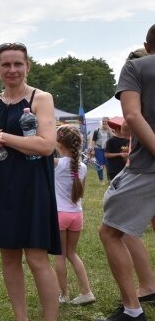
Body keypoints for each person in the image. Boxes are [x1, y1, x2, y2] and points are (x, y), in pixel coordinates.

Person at [0, 42, 62, 321]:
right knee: (8, 255)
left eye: (18, 64)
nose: (12, 70)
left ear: (28, 67)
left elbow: (46, 146)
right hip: (1, 185)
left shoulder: (42, 98)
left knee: (37, 257)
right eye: (6, 65)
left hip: (32, 185)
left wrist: (1, 137)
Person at [95, 24, 155, 321]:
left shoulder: (136, 67)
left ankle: (132, 311)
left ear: (147, 45)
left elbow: (132, 116)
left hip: (148, 168)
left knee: (111, 232)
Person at [52, 124, 95, 306]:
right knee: (72, 253)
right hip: (76, 214)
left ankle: (64, 294)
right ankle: (86, 291)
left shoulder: (57, 163)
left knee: (60, 255)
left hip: (60, 214)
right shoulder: (83, 167)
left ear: (59, 144)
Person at [90, 118, 112, 183]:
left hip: (107, 149)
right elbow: (93, 141)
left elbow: (113, 138)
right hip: (98, 148)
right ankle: (101, 180)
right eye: (103, 121)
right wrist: (92, 150)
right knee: (99, 165)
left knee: (108, 165)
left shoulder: (110, 130)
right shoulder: (97, 130)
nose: (104, 122)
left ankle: (109, 180)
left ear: (108, 122)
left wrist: (109, 130)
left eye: (106, 121)